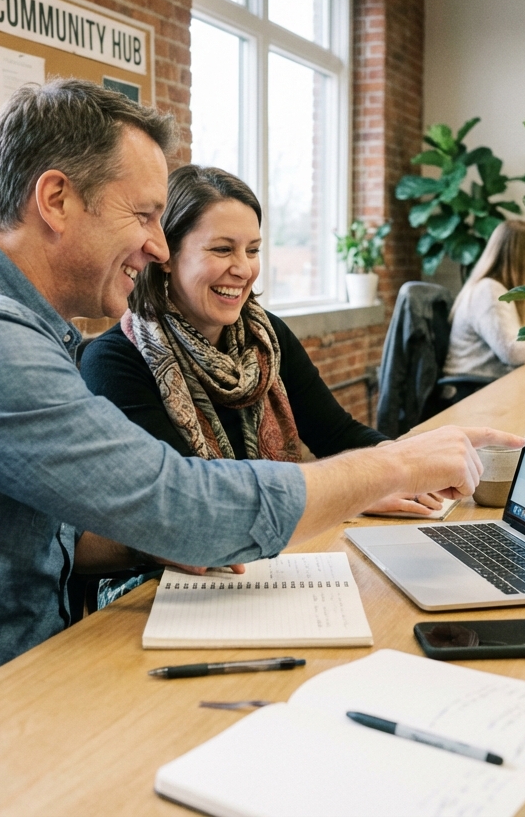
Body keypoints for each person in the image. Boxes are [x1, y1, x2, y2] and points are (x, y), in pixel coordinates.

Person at [0, 79, 522, 791]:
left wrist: (143, 542)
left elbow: (25, 527)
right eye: (145, 214)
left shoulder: (16, 326)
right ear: (56, 198)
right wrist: (390, 465)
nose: (157, 245)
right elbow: (179, 501)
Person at [80, 166, 441, 601]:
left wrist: (406, 468)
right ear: (167, 255)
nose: (243, 269)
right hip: (162, 589)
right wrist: (354, 485)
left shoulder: (266, 336)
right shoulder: (115, 360)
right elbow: (188, 504)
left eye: (253, 250)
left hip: (266, 566)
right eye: (221, 249)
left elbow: (338, 434)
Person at [441, 219, 525, 393]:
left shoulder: (518, 292)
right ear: (517, 253)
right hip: (470, 392)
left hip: (493, 385)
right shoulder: (488, 290)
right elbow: (512, 351)